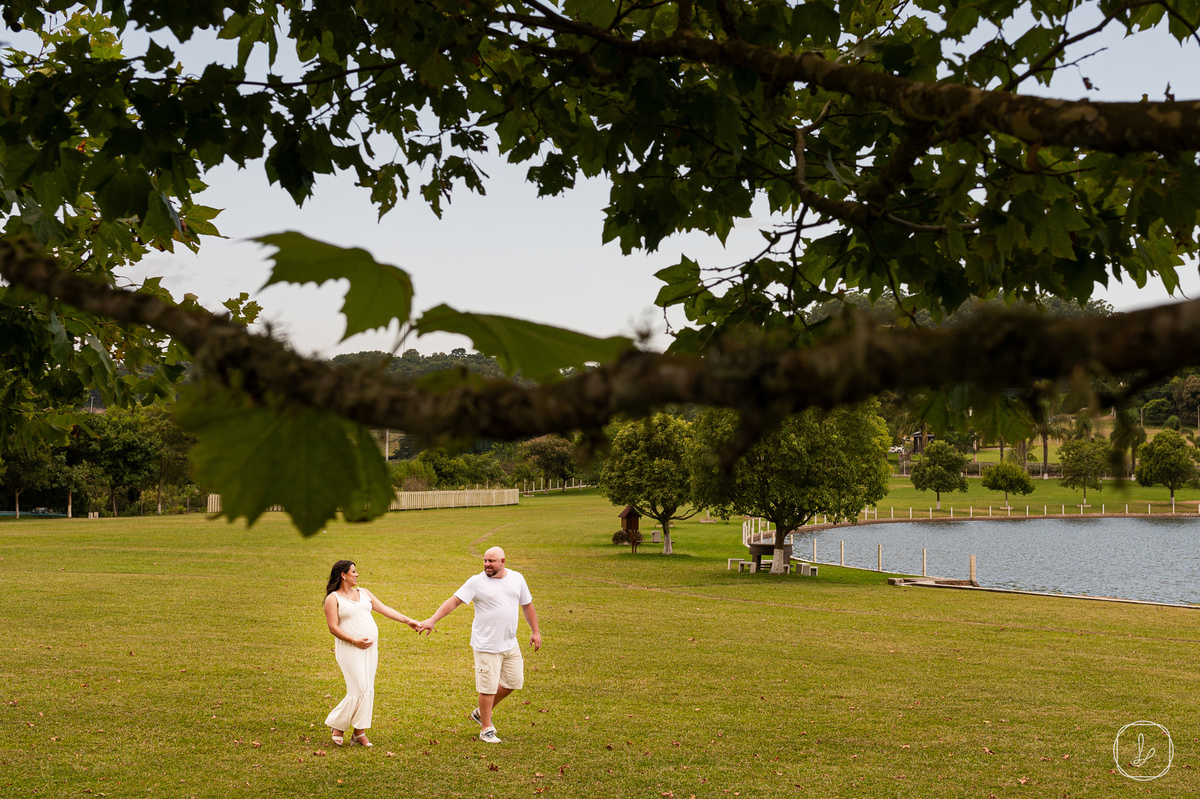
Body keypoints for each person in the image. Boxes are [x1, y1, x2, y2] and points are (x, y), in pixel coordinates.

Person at [417, 546, 542, 743]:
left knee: (513, 682)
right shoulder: (476, 582)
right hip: (486, 644)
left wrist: (535, 631)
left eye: (491, 561)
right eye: (485, 561)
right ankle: (486, 728)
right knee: (487, 687)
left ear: (502, 562)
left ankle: (482, 712)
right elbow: (454, 601)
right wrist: (432, 620)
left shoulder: (517, 578)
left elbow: (527, 605)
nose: (487, 564)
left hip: (510, 643)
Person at [323, 560, 419, 747]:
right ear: (343, 575)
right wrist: (354, 640)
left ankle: (359, 732)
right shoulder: (333, 599)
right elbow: (333, 628)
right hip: (349, 648)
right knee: (358, 687)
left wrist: (408, 621)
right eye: (353, 572)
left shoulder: (364, 593)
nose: (357, 575)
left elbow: (385, 609)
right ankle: (337, 726)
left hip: (369, 649)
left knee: (367, 688)